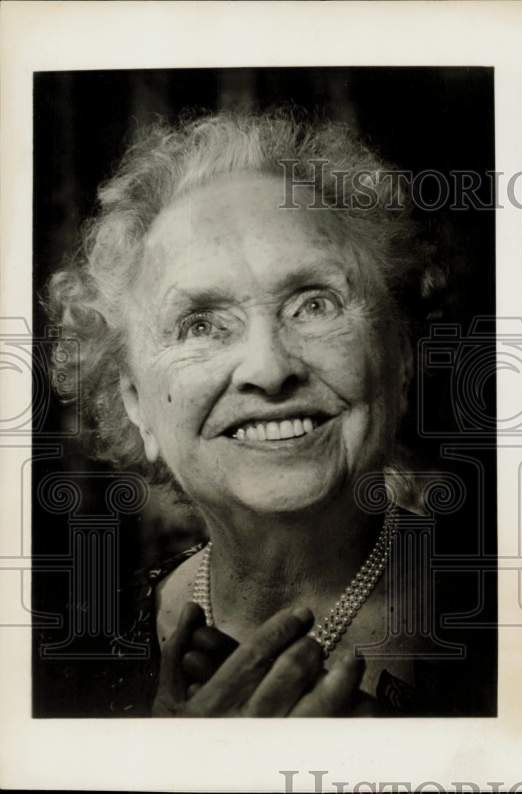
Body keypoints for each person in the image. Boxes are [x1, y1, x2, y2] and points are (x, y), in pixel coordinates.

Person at [46, 110, 481, 716]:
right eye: (200, 323)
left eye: (314, 303)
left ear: (399, 355)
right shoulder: (66, 662)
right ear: (137, 406)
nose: (270, 368)